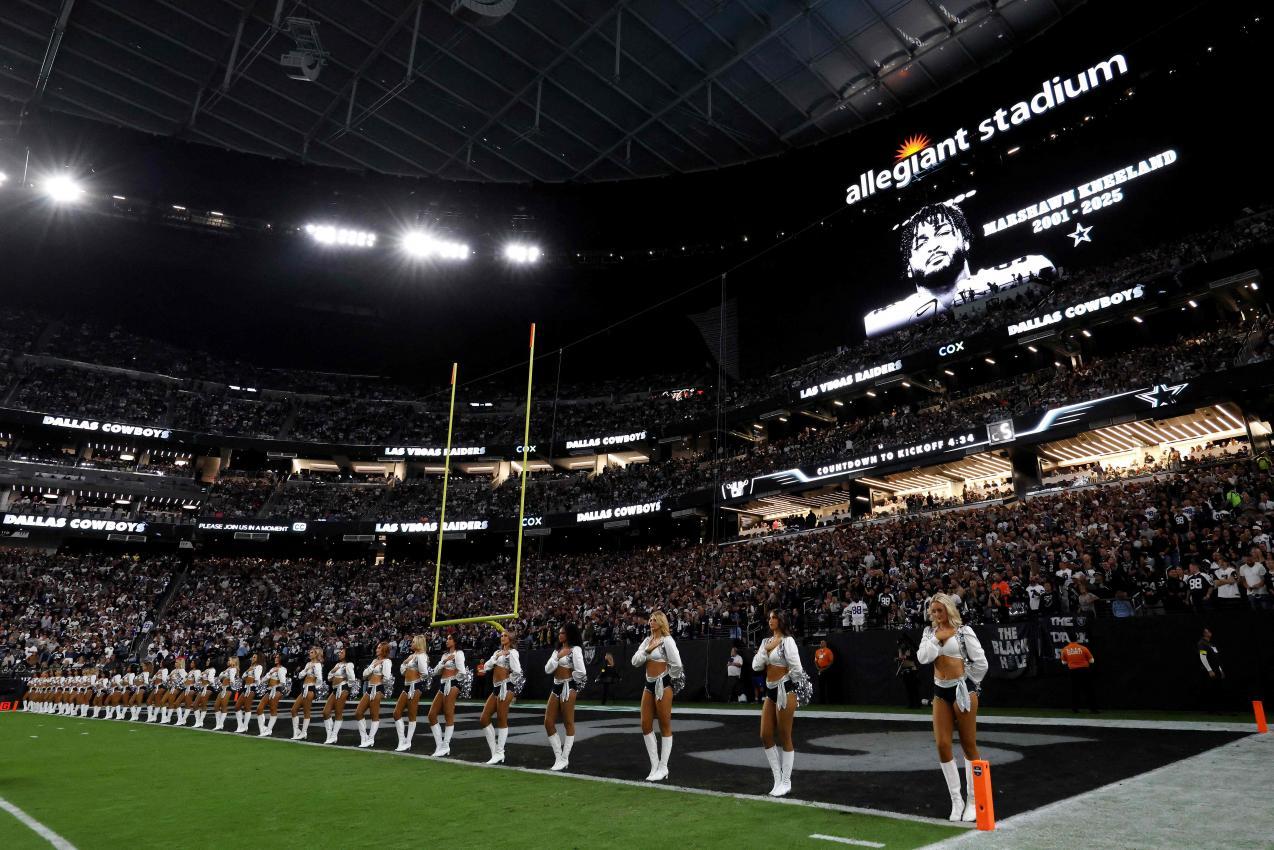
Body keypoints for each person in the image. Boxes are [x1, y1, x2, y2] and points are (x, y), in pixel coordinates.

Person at [863, 202, 1054, 336]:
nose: (933, 246)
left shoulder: (991, 279)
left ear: (965, 241)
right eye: (921, 243)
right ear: (908, 268)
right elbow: (871, 324)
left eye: (943, 232)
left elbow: (1043, 266)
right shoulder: (891, 317)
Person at [917, 593, 988, 822]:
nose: (937, 615)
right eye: (933, 611)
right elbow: (923, 658)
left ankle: (973, 801)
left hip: (962, 691)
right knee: (942, 744)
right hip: (940, 692)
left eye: (940, 610)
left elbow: (981, 662)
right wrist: (938, 639)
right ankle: (956, 801)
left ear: (949, 610)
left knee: (969, 744)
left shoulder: (964, 631)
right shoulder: (929, 633)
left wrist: (969, 683)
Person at [752, 609, 809, 798]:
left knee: (785, 735)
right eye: (769, 618)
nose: (770, 620)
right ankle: (777, 779)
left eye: (774, 618)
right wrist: (767, 649)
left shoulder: (788, 641)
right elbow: (755, 665)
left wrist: (786, 682)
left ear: (781, 620)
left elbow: (797, 669)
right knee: (765, 734)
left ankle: (786, 781)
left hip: (786, 691)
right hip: (770, 692)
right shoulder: (765, 642)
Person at [631, 610, 684, 781]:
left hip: (663, 684)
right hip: (649, 685)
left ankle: (663, 767)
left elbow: (677, 664)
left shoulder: (667, 641)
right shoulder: (647, 641)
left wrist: (669, 679)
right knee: (645, 724)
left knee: (664, 725)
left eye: (654, 619)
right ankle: (654, 765)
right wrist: (647, 650)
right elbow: (635, 661)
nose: (651, 622)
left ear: (661, 623)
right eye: (650, 619)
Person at [543, 623, 586, 771]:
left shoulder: (575, 650)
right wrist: (558, 657)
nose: (560, 635)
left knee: (568, 722)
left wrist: (572, 679)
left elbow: (582, 671)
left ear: (569, 635)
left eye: (563, 633)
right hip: (556, 686)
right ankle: (559, 757)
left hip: (569, 687)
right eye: (559, 633)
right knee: (548, 722)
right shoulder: (557, 650)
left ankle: (565, 758)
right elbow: (547, 669)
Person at [479, 630, 523, 764]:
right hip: (496, 688)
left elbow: (518, 671)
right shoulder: (497, 653)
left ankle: (500, 752)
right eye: (501, 635)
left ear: (510, 638)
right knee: (484, 719)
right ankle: (495, 753)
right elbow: (484, 667)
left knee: (501, 719)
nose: (502, 637)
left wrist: (508, 681)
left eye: (505, 636)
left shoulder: (513, 653)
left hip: (506, 687)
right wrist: (496, 656)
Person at [426, 633, 469, 757]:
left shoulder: (459, 654)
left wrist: (454, 680)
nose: (447, 640)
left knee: (448, 714)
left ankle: (446, 745)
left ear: (455, 641)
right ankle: (440, 745)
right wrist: (444, 661)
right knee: (431, 715)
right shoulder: (445, 655)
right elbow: (435, 672)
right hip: (442, 684)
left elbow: (462, 672)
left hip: (452, 684)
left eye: (450, 639)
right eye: (447, 638)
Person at [393, 635, 430, 752]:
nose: (411, 643)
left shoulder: (422, 656)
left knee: (411, 715)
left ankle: (408, 742)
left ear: (419, 643)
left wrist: (416, 676)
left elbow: (424, 673)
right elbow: (402, 671)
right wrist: (405, 662)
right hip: (406, 685)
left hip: (415, 686)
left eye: (413, 642)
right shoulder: (411, 656)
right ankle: (402, 740)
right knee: (396, 713)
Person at [355, 642, 393, 748]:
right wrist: (373, 666)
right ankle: (364, 737)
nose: (377, 649)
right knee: (358, 712)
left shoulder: (387, 661)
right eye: (377, 647)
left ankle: (371, 739)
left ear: (384, 650)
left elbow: (387, 678)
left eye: (379, 647)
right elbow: (364, 674)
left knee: (374, 715)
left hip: (378, 689)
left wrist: (381, 687)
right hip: (369, 688)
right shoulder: (374, 661)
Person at [322, 647, 356, 744]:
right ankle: (330, 735)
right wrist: (333, 670)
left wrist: (346, 687)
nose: (339, 653)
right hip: (335, 689)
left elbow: (352, 679)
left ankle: (333, 736)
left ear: (347, 654)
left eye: (342, 652)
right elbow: (329, 678)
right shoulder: (337, 664)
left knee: (338, 712)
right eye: (339, 652)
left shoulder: (349, 664)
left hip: (342, 689)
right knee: (325, 712)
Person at [291, 647, 323, 740]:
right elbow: (300, 676)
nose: (310, 653)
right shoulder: (308, 664)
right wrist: (306, 669)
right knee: (293, 710)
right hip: (304, 689)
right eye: (310, 652)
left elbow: (319, 678)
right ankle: (297, 730)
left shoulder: (318, 665)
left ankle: (304, 732)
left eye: (312, 652)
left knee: (306, 712)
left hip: (310, 689)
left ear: (316, 654)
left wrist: (315, 688)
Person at [1060, 638, 1097, 713]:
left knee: (1075, 690)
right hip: (1084, 671)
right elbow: (1092, 661)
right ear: (1077, 639)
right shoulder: (1083, 648)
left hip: (1073, 671)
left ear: (1068, 640)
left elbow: (1063, 662)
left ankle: (1075, 709)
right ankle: (1092, 709)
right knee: (1088, 690)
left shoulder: (1065, 649)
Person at [255, 654, 289, 737]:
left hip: (277, 690)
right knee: (259, 708)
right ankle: (262, 728)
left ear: (281, 659)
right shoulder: (272, 669)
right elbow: (263, 680)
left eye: (278, 657)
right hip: (269, 689)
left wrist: (275, 686)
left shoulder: (283, 669)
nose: (275, 658)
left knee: (273, 709)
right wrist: (270, 672)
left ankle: (269, 730)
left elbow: (283, 682)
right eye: (276, 657)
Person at [1198, 627, 1226, 712]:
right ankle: (1209, 710)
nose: (1210, 632)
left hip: (1216, 670)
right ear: (1204, 633)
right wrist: (1209, 670)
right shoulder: (1202, 643)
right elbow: (1203, 657)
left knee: (1218, 690)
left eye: (1210, 631)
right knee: (1209, 690)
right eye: (1207, 631)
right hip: (1208, 671)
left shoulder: (1212, 644)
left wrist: (1220, 670)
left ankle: (1219, 709)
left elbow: (1217, 658)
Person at [235, 653, 262, 733]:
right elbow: (243, 677)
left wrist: (252, 671)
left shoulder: (259, 667)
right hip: (246, 687)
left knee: (247, 707)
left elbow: (257, 678)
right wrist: (248, 670)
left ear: (258, 659)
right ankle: (240, 725)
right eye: (252, 657)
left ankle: (245, 726)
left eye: (254, 657)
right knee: (237, 706)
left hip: (252, 687)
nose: (252, 658)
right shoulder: (251, 667)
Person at [213, 657, 239, 731]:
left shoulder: (234, 669)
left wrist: (227, 678)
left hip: (229, 688)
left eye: (229, 660)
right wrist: (222, 680)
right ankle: (218, 724)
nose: (228, 661)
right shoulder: (228, 669)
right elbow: (219, 677)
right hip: (223, 688)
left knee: (223, 705)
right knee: (216, 705)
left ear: (234, 661)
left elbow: (232, 680)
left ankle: (220, 724)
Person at [896, 637, 921, 709]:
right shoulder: (900, 650)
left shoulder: (910, 649)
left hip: (912, 670)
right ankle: (911, 704)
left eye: (901, 644)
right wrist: (898, 658)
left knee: (914, 688)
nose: (901, 646)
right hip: (904, 671)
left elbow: (912, 657)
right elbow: (899, 658)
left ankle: (917, 704)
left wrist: (905, 657)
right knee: (908, 688)